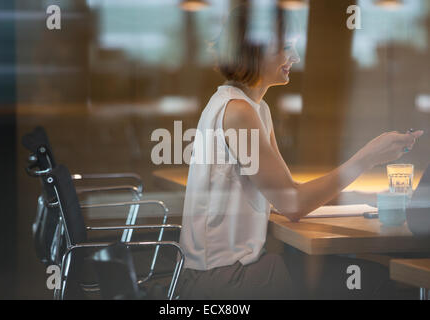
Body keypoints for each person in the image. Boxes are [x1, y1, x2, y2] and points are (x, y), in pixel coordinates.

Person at [176, 3, 424, 299]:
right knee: (379, 281)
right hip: (225, 282)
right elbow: (292, 204)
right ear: (256, 50)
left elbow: (285, 195)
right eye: (286, 47)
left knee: (363, 275)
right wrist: (367, 157)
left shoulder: (253, 108)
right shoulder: (238, 111)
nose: (294, 57)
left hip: (232, 273)